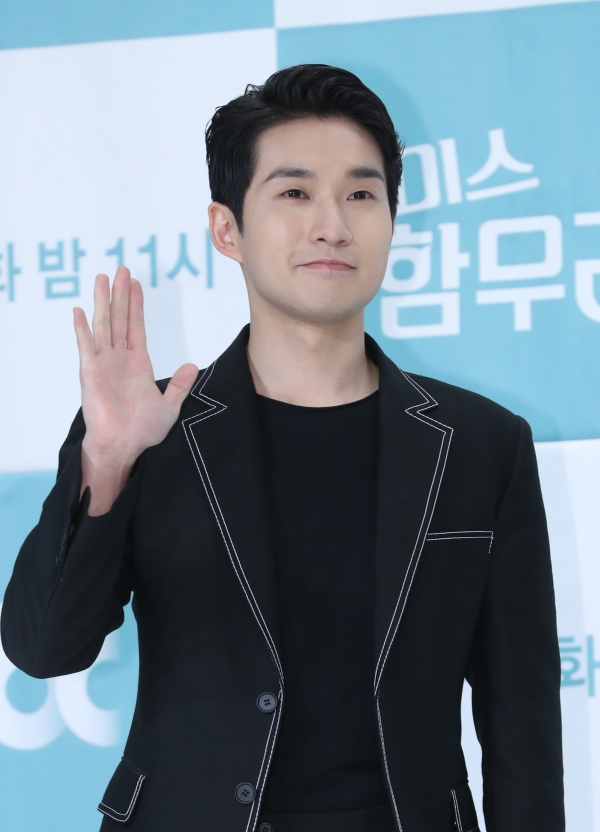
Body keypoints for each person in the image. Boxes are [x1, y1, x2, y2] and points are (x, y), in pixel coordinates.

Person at [1, 64, 563, 832]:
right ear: (226, 229)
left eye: (360, 195)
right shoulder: (151, 427)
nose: (332, 225)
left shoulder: (481, 444)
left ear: (392, 219)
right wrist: (108, 461)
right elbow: (43, 650)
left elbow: (521, 718)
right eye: (295, 193)